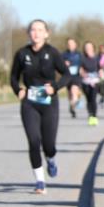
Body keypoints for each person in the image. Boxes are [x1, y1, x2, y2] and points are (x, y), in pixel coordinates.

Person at [10, 20, 70, 195]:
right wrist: (18, 90)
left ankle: (50, 158)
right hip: (29, 102)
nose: (36, 33)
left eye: (40, 30)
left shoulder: (52, 53)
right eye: (33, 30)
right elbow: (13, 76)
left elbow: (66, 74)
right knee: (34, 141)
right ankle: (40, 181)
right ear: (29, 33)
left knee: (49, 144)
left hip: (49, 102)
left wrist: (55, 88)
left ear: (46, 33)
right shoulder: (22, 54)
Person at [80, 41, 101, 126]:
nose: (88, 49)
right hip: (86, 81)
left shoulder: (97, 58)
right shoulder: (82, 58)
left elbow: (100, 68)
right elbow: (80, 69)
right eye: (86, 47)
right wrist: (82, 73)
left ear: (93, 48)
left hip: (95, 81)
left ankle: (94, 116)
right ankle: (90, 115)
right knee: (88, 99)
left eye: (89, 47)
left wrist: (100, 73)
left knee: (93, 98)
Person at [63, 38, 84, 119]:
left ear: (75, 44)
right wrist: (64, 64)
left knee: (74, 91)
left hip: (77, 76)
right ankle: (72, 107)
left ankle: (75, 102)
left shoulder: (79, 54)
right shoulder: (64, 54)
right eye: (69, 44)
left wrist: (82, 69)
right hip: (68, 76)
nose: (70, 45)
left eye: (72, 43)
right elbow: (60, 65)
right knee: (70, 95)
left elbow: (83, 63)